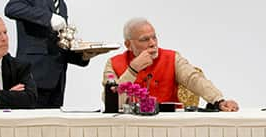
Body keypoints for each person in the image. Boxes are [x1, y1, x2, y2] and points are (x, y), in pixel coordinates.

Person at [5, 0, 95, 108]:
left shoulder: (63, 5)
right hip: (33, 78)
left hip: (57, 81)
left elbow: (57, 45)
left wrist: (83, 55)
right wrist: (48, 18)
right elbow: (12, 8)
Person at [102, 18, 239, 112]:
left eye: (154, 37)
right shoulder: (113, 63)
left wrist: (218, 100)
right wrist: (132, 70)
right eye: (144, 39)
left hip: (167, 123)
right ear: (128, 44)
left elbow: (194, 79)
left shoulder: (172, 58)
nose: (152, 43)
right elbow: (111, 103)